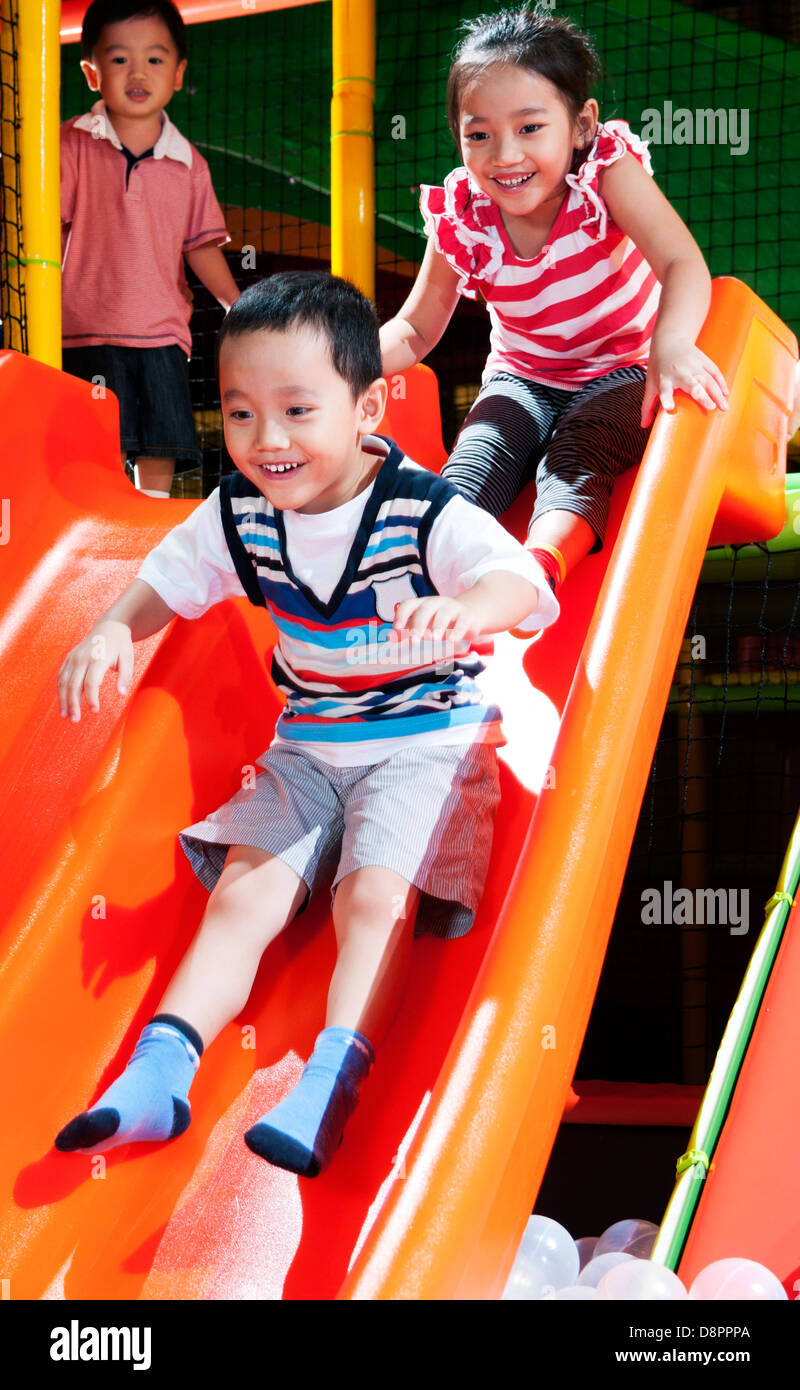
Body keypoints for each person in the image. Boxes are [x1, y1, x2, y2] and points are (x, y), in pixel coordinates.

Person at [54, 271, 559, 1178]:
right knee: (243, 893)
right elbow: (166, 580)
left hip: (426, 744)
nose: (268, 441)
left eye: (296, 410)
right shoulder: (242, 514)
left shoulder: (419, 507)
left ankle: (331, 1079)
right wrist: (108, 631)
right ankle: (159, 1072)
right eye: (240, 413)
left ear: (366, 407)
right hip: (308, 746)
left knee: (371, 897)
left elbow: (522, 583)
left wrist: (471, 610)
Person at [379, 4, 729, 610]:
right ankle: (428, 577)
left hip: (626, 369)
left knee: (579, 449)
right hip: (524, 378)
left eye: (530, 128)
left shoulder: (604, 176)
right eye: (478, 134)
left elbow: (681, 263)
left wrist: (669, 349)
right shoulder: (465, 214)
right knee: (476, 462)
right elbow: (414, 327)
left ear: (582, 124)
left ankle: (537, 570)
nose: (504, 155)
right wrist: (337, 370)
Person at [60, 0, 240, 498]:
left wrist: (234, 303)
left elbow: (200, 245)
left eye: (155, 60)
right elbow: (47, 231)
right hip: (84, 329)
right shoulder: (70, 144)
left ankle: (150, 511)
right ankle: (100, 509)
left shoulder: (189, 164)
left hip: (161, 329)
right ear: (92, 72)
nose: (138, 72)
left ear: (178, 73)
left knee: (160, 432)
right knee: (98, 435)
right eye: (119, 60)